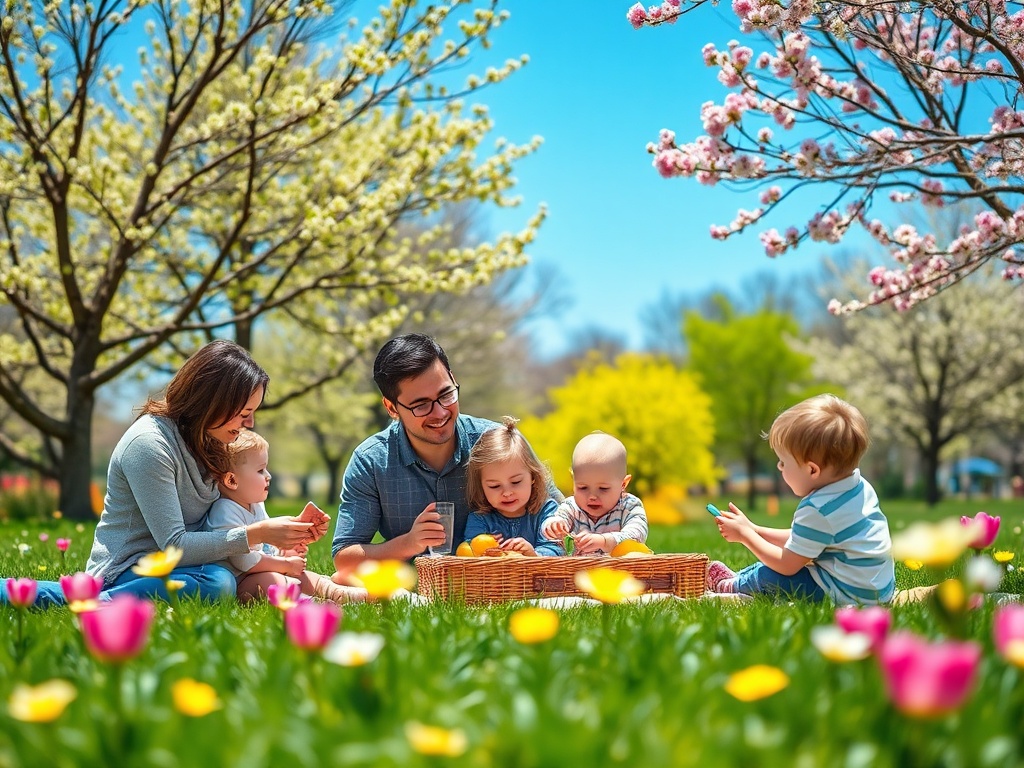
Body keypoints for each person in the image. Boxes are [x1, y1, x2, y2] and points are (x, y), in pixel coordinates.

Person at [3, 340, 325, 608]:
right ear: (212, 403)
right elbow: (174, 545)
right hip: (131, 569)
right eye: (244, 413)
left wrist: (286, 534)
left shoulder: (213, 439)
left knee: (221, 579)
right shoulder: (149, 445)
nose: (250, 424)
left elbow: (235, 511)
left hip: (194, 565)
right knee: (216, 583)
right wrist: (258, 535)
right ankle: (87, 601)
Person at [331, 334, 562, 577]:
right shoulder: (371, 461)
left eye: (446, 394)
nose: (440, 412)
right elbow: (344, 558)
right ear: (391, 408)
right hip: (412, 589)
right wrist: (409, 543)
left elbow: (564, 517)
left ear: (453, 379)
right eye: (421, 405)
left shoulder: (499, 444)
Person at [707, 394, 895, 604]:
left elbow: (787, 564)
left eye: (783, 463)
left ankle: (731, 586)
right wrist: (755, 529)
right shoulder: (858, 487)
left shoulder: (818, 509)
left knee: (770, 575)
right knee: (772, 564)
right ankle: (739, 579)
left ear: (812, 470)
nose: (779, 467)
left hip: (846, 595)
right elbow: (803, 539)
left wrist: (745, 536)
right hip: (875, 590)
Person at [202, 430, 366, 604]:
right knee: (273, 581)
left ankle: (338, 592)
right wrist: (285, 565)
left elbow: (266, 545)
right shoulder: (224, 511)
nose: (268, 476)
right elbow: (244, 562)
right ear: (232, 481)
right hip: (241, 581)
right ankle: (308, 602)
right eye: (260, 470)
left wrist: (285, 551)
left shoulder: (256, 505)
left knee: (303, 576)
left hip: (262, 572)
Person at [462, 417, 564, 557]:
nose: (507, 493)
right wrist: (482, 550)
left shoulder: (546, 511)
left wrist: (534, 555)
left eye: (516, 482)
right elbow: (467, 552)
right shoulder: (480, 519)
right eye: (494, 486)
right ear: (481, 487)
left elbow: (557, 549)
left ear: (533, 477)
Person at [540, 431, 648, 555]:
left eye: (603, 488)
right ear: (573, 480)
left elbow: (637, 535)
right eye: (583, 488)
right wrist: (554, 525)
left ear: (623, 484)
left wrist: (604, 541)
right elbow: (557, 520)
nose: (592, 497)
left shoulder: (629, 506)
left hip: (619, 566)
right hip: (579, 567)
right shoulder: (571, 507)